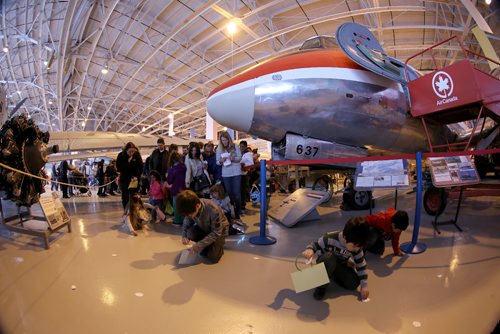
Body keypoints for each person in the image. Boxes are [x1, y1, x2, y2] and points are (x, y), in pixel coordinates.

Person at [302, 217, 370, 301]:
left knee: (354, 284)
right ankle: (321, 287)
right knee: (329, 258)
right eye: (355, 246)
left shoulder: (356, 247)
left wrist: (364, 286)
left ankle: (332, 275)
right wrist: (310, 250)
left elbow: (361, 266)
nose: (357, 249)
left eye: (359, 246)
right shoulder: (329, 238)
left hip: (340, 265)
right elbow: (315, 244)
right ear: (345, 237)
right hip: (325, 262)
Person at [176, 190, 229, 264]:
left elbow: (216, 232)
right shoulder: (191, 208)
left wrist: (199, 245)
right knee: (190, 233)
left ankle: (219, 245)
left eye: (190, 215)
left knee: (213, 258)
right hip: (205, 228)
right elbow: (187, 221)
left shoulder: (213, 210)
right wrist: (184, 235)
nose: (188, 217)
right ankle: (208, 245)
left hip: (219, 232)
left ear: (197, 206)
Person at [216, 131, 243, 220]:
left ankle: (238, 212)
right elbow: (217, 162)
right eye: (223, 140)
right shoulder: (219, 149)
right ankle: (232, 212)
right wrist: (221, 161)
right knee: (229, 194)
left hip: (236, 173)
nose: (224, 142)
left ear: (229, 139)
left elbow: (240, 158)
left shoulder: (235, 146)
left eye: (226, 140)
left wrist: (233, 158)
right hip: (226, 174)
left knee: (237, 194)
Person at [116, 142, 143, 211]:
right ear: (126, 150)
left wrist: (137, 176)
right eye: (130, 151)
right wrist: (127, 162)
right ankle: (126, 212)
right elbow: (119, 168)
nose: (131, 153)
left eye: (133, 151)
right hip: (124, 179)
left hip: (134, 180)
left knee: (134, 197)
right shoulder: (121, 156)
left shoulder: (137, 155)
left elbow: (140, 167)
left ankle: (134, 213)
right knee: (125, 197)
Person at [166, 151, 187, 225]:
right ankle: (185, 220)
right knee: (184, 205)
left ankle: (177, 221)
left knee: (176, 206)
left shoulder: (171, 169)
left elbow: (169, 181)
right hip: (184, 188)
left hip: (175, 189)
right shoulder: (184, 166)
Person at [239, 141, 254, 213]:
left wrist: (244, 164)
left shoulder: (248, 154)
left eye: (242, 146)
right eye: (240, 146)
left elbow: (251, 164)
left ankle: (242, 206)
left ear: (245, 146)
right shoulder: (239, 153)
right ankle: (239, 205)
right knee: (239, 190)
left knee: (243, 190)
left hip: (244, 174)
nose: (241, 148)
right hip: (238, 174)